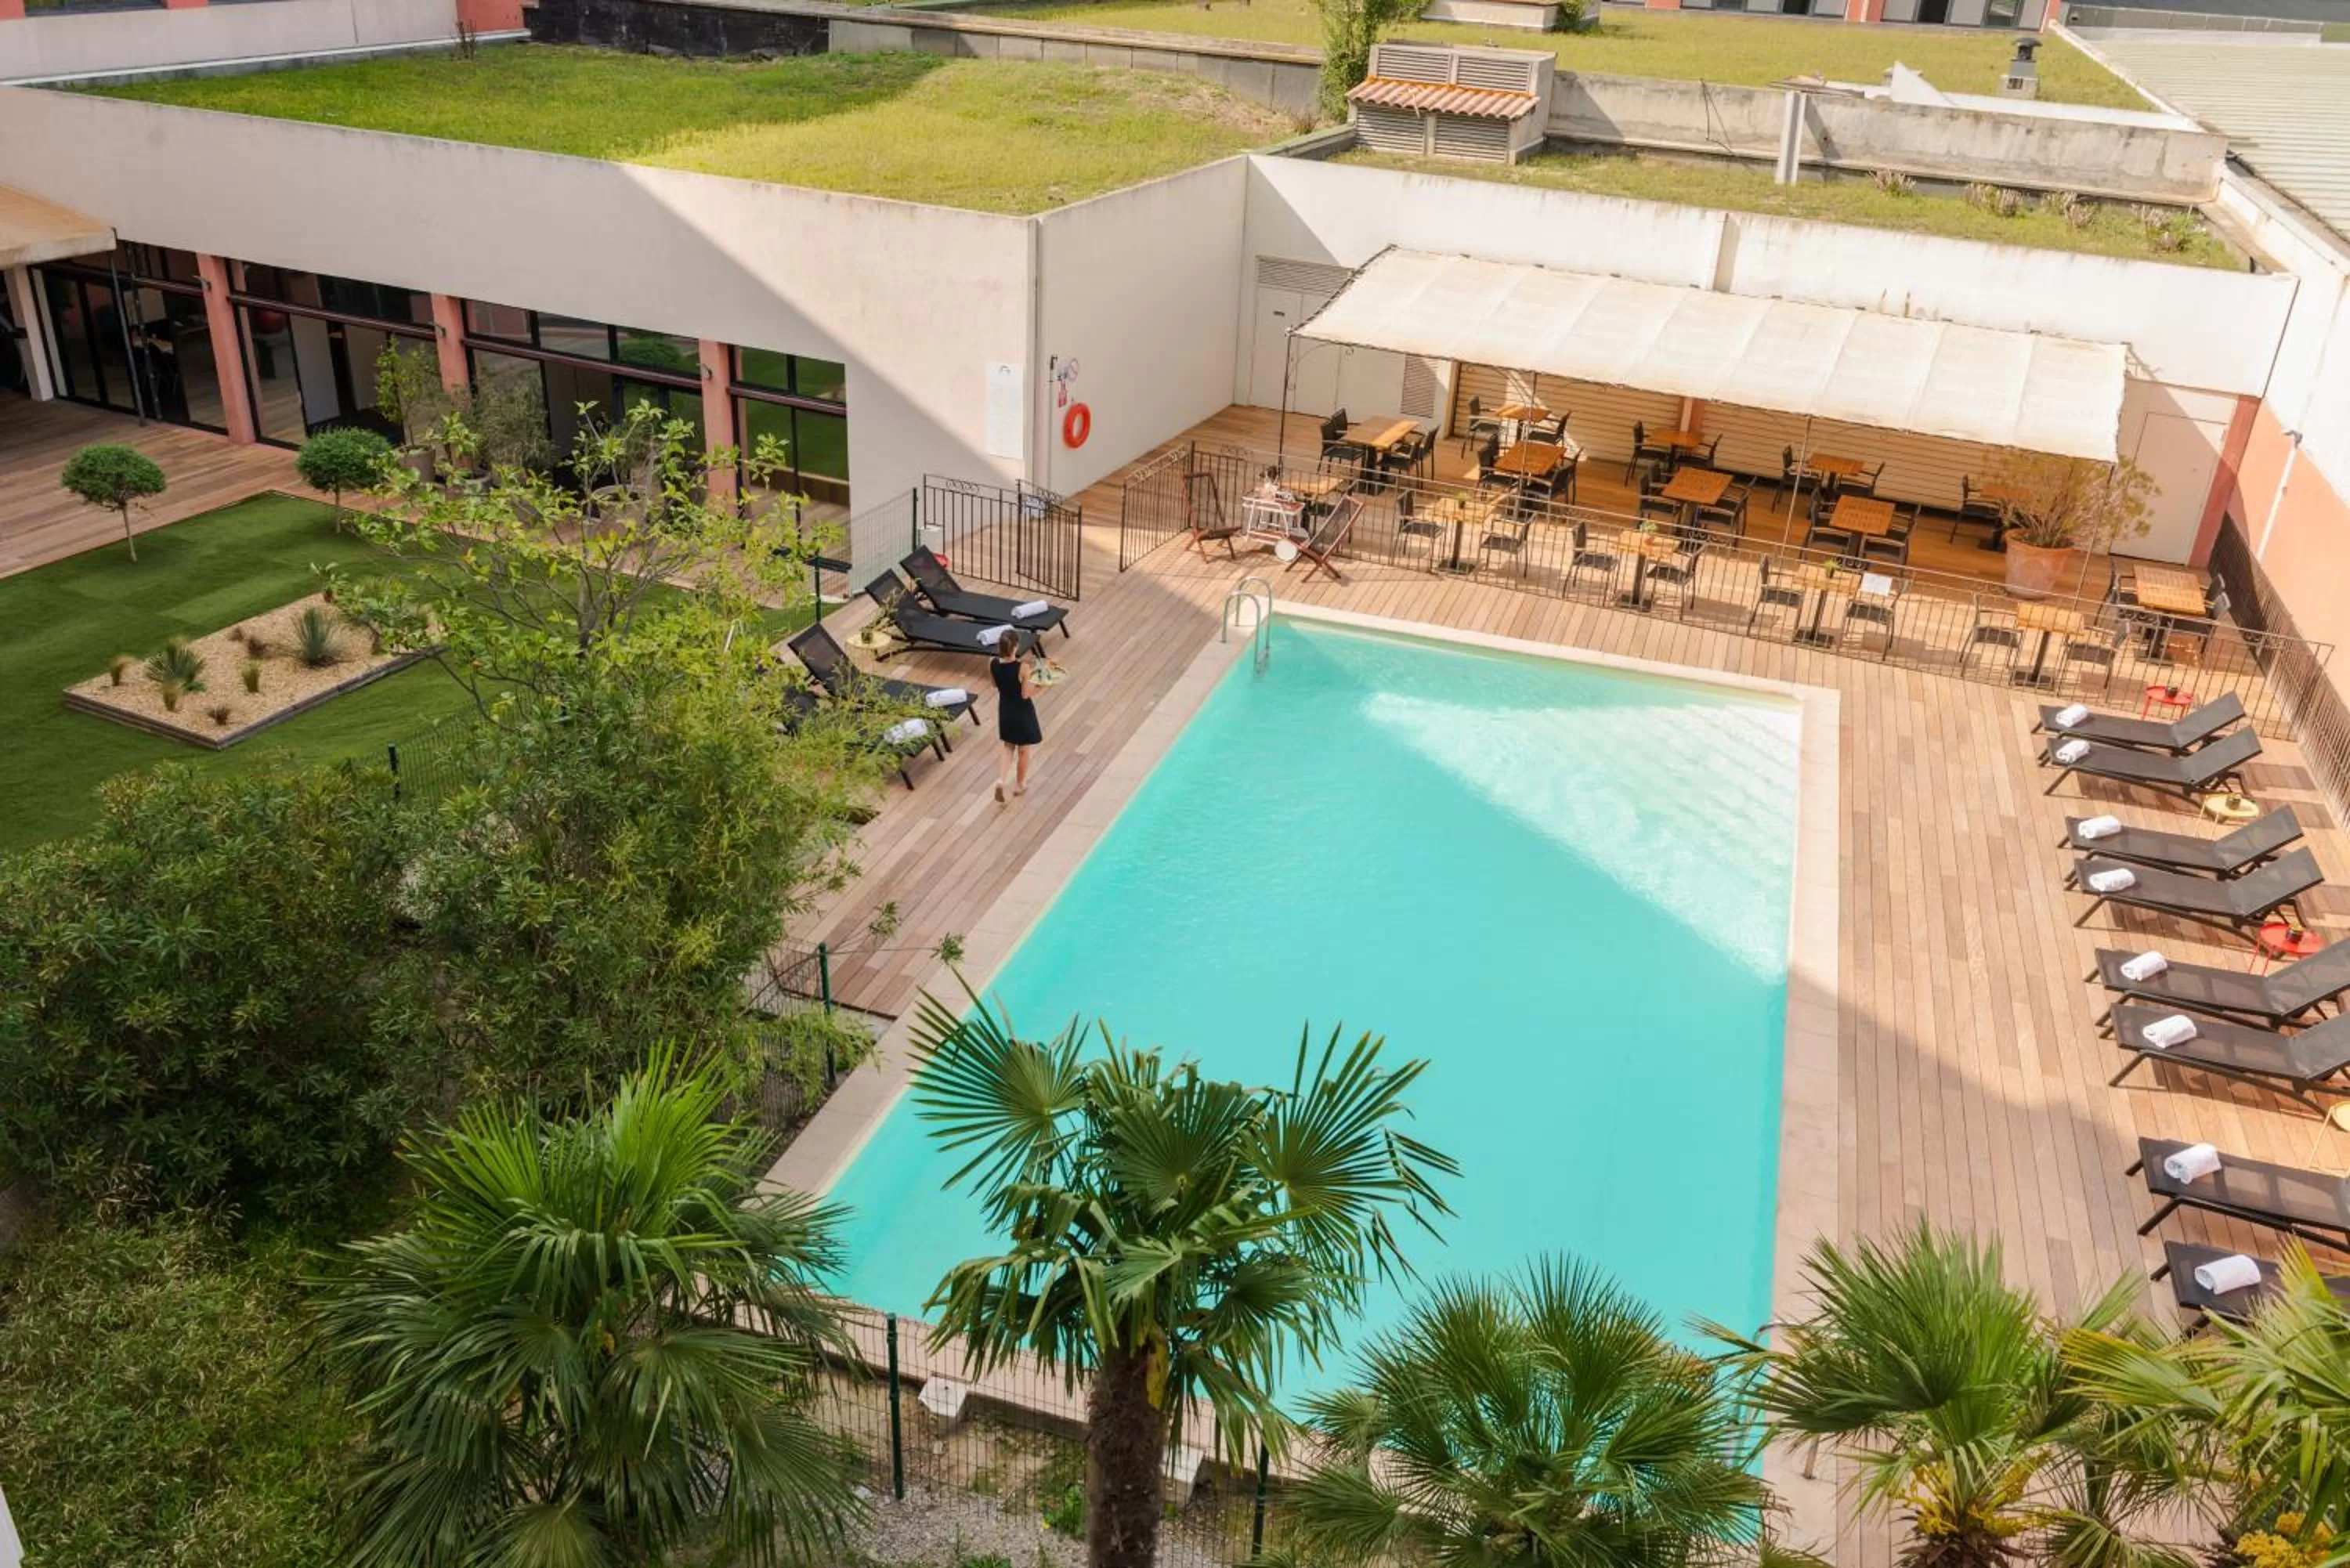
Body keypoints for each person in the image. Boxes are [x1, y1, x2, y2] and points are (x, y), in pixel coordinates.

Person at [990, 627, 1043, 804]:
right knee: (1023, 749)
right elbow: (1026, 694)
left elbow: (994, 684)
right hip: (1022, 711)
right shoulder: (1023, 668)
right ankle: (1020, 784)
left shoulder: (992, 663)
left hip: (1005, 709)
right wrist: (1044, 685)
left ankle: (1001, 780)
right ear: (1015, 648)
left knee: (1008, 746)